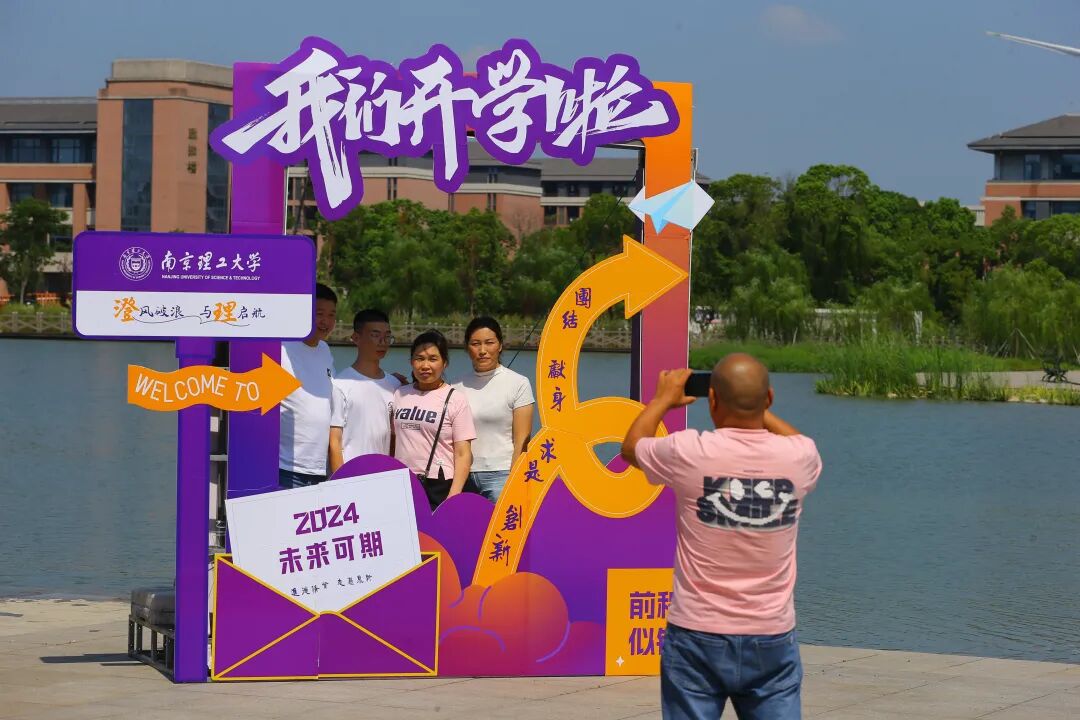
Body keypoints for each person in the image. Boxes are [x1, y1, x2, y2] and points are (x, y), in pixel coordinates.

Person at [621, 354, 822, 720]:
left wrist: (662, 399)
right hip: (770, 634)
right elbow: (799, 439)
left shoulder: (689, 451)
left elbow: (632, 447)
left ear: (712, 400)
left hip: (696, 631)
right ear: (769, 399)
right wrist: (755, 408)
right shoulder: (800, 457)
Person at [391, 330, 476, 510]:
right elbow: (393, 439)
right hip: (402, 480)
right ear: (411, 362)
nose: (425, 365)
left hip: (438, 483)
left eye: (432, 359)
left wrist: (454, 495)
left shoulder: (455, 399)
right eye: (419, 358)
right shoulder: (400, 393)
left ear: (444, 363)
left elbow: (463, 454)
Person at [454, 316, 535, 501]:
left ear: (500, 345)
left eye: (489, 343)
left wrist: (515, 481)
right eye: (475, 344)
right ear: (467, 347)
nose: (482, 350)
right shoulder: (455, 385)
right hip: (462, 475)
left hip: (501, 476)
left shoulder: (518, 383)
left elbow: (521, 442)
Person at [329, 309, 406, 474]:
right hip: (350, 474)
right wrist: (339, 482)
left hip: (382, 474)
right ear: (356, 338)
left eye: (387, 336)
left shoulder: (394, 385)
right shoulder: (340, 384)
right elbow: (334, 441)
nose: (382, 342)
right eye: (375, 335)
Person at [278, 283, 338, 489]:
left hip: (319, 469)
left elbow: (335, 391)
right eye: (319, 314)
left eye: (331, 315)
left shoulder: (325, 349)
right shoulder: (281, 348)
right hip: (284, 467)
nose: (326, 321)